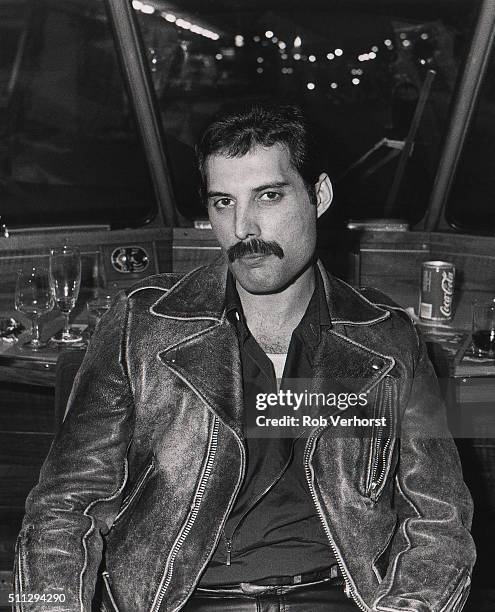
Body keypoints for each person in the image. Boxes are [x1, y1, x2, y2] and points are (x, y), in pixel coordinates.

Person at [14, 103, 475, 612]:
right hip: (183, 598)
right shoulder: (140, 326)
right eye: (223, 203)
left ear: (318, 196)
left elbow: (439, 515)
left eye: (269, 196)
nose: (243, 227)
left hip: (341, 596)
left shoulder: (389, 340)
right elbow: (64, 505)